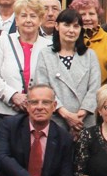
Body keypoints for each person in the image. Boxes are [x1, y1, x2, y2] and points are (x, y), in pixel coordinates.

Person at [0, 0, 51, 147]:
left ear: (40, 20)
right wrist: (13, 95)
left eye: (33, 16)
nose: (28, 20)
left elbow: (51, 79)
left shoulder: (49, 46)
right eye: (23, 15)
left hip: (37, 114)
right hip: (4, 113)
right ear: (16, 19)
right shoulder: (3, 41)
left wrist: (33, 99)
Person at [35, 9, 100, 138]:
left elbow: (94, 88)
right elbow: (43, 87)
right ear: (57, 26)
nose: (71, 30)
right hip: (56, 119)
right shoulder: (45, 54)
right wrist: (65, 114)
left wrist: (80, 115)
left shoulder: (90, 55)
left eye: (76, 26)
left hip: (84, 122)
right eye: (67, 25)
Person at [69, 0, 107, 84]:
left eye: (92, 14)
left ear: (98, 16)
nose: (87, 18)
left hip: (104, 95)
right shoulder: (69, 40)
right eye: (82, 14)